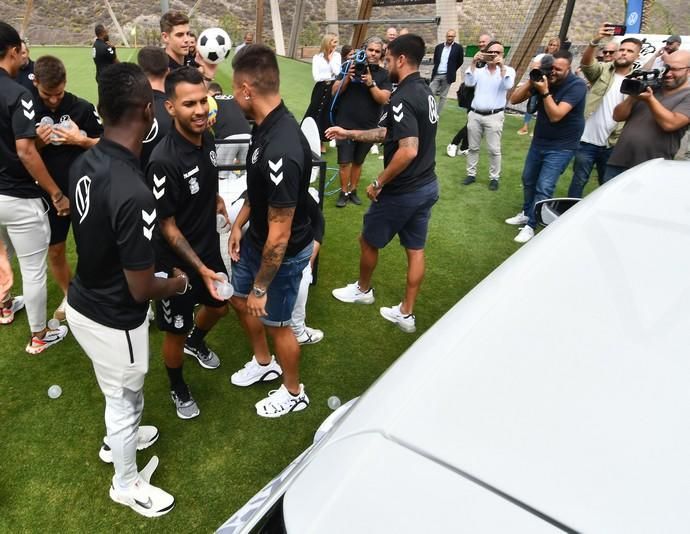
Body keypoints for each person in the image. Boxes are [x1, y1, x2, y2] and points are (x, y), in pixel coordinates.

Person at [66, 62, 186, 518]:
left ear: (101, 109)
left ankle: (118, 439)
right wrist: (176, 283)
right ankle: (126, 482)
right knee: (125, 399)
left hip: (84, 302)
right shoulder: (134, 189)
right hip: (115, 316)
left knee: (114, 389)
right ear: (147, 110)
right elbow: (141, 287)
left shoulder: (86, 159)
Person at [328, 34, 439, 334]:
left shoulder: (403, 96)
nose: (385, 62)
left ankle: (363, 291)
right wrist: (349, 133)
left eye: (388, 58)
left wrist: (378, 182)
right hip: (428, 186)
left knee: (367, 240)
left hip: (404, 190)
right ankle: (407, 313)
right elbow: (385, 133)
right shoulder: (423, 90)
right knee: (415, 250)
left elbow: (408, 148)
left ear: (401, 59)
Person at [228, 44, 315, 417]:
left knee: (279, 325)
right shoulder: (264, 127)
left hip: (278, 254)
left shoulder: (282, 146)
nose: (233, 97)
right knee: (237, 298)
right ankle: (264, 363)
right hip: (255, 241)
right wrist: (239, 223)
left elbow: (281, 232)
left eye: (234, 89)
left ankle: (294, 391)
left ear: (247, 89)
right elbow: (259, 191)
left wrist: (262, 286)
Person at [146, 67, 230, 419]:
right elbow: (166, 226)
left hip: (207, 247)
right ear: (170, 107)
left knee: (220, 306)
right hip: (175, 265)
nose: (199, 110)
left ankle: (198, 341)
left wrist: (217, 200)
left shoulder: (206, 136)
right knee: (175, 331)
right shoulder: (163, 161)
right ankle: (178, 386)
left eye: (203, 100)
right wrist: (199, 269)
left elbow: (204, 186)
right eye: (189, 104)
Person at [0, 21, 70, 353]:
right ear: (14, 51)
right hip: (16, 194)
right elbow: (26, 151)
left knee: (3, 255)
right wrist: (56, 192)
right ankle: (39, 336)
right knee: (32, 268)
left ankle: (4, 303)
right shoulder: (17, 92)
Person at [33, 55, 103, 321]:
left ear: (66, 82)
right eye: (47, 94)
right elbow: (22, 154)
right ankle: (70, 294)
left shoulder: (82, 108)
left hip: (87, 190)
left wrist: (80, 139)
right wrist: (38, 143)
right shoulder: (27, 109)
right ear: (36, 83)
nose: (53, 100)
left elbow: (108, 144)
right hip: (49, 194)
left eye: (58, 93)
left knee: (96, 246)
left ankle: (100, 290)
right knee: (56, 248)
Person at [506, 49, 587, 244]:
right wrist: (532, 78)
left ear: (570, 68)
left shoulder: (577, 86)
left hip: (563, 145)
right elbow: (514, 99)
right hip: (541, 140)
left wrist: (544, 91)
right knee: (528, 179)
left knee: (544, 186)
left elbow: (556, 115)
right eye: (550, 68)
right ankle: (527, 212)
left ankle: (531, 225)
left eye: (558, 69)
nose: (553, 73)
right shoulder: (543, 77)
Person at [566, 25, 641, 198]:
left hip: (612, 143)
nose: (623, 53)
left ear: (637, 56)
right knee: (578, 181)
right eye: (621, 49)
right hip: (587, 140)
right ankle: (568, 214)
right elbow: (586, 64)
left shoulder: (637, 81)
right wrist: (595, 41)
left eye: (629, 51)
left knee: (607, 184)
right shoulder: (603, 70)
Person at [604, 50, 690, 180]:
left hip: (652, 168)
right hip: (619, 161)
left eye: (675, 69)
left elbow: (670, 124)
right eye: (666, 68)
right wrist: (633, 95)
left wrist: (650, 99)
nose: (668, 73)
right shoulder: (653, 87)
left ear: (688, 71)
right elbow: (618, 116)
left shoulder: (686, 95)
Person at [331, 36, 392, 207]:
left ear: (381, 54)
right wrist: (347, 78)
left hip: (367, 127)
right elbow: (334, 92)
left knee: (358, 161)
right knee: (344, 161)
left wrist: (371, 84)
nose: (373, 54)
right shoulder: (347, 66)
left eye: (377, 51)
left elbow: (383, 99)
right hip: (344, 123)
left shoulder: (384, 74)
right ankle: (343, 192)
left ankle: (353, 189)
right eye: (370, 50)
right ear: (364, 50)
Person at [462, 40, 515, 190]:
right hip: (475, 114)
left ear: (502, 54)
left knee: (494, 149)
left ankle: (494, 177)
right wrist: (473, 63)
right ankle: (471, 174)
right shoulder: (479, 71)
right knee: (473, 147)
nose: (493, 55)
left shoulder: (508, 70)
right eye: (490, 52)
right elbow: (469, 82)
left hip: (494, 116)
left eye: (497, 52)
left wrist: (502, 66)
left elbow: (508, 85)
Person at [447, 32, 492, 158]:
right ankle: (454, 143)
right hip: (473, 96)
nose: (481, 44)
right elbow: (471, 77)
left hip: (485, 97)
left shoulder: (492, 59)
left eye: (484, 42)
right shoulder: (477, 59)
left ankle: (464, 147)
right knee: (472, 123)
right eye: (480, 42)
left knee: (474, 123)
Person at [304, 33, 341, 153]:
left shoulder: (337, 56)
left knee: (327, 111)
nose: (336, 44)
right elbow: (316, 76)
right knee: (315, 110)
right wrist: (328, 75)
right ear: (327, 42)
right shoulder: (317, 57)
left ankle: (323, 140)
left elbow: (337, 72)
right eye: (334, 42)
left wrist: (330, 60)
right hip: (320, 87)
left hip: (332, 87)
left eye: (336, 42)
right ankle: (312, 138)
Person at [517, 37, 561, 136]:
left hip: (549, 86)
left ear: (558, 47)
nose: (552, 47)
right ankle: (525, 126)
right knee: (531, 104)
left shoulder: (558, 59)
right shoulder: (541, 56)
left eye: (555, 45)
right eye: (551, 44)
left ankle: (537, 129)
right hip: (536, 83)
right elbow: (533, 68)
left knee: (544, 106)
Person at [138, 46, 172, 169]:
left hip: (133, 183)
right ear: (168, 72)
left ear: (140, 73)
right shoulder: (177, 111)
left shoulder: (126, 109)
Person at [429, 29, 464, 115]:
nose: (450, 38)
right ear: (446, 36)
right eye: (448, 36)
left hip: (447, 76)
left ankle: (436, 114)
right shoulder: (439, 47)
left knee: (443, 96)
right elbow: (436, 59)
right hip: (437, 74)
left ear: (454, 37)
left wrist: (452, 70)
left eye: (452, 36)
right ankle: (430, 111)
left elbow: (460, 61)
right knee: (430, 92)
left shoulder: (458, 48)